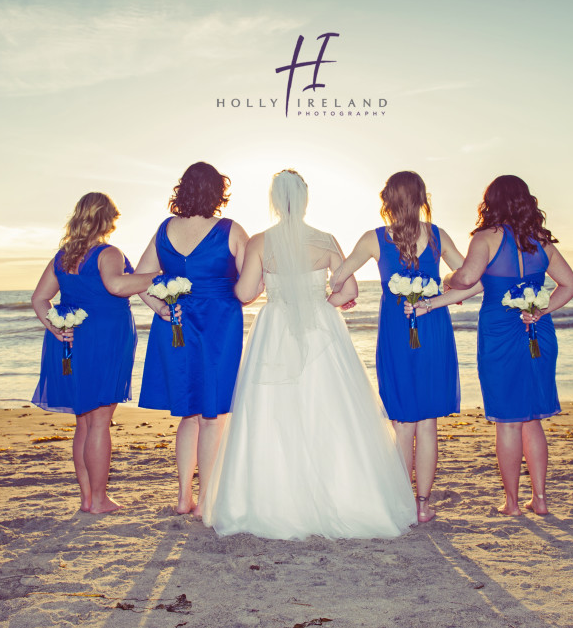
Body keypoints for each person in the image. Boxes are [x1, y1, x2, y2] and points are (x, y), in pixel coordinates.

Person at [203, 169, 416, 539]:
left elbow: (244, 294)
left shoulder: (259, 242)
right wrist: (328, 300)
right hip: (322, 330)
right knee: (329, 408)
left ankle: (274, 500)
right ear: (304, 200)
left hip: (275, 330)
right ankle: (347, 496)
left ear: (274, 199)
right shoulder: (325, 239)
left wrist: (264, 287)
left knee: (272, 410)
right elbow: (348, 290)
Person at [330, 171, 480, 523]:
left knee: (402, 423)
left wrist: (340, 297)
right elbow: (473, 282)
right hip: (433, 329)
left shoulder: (373, 239)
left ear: (388, 200)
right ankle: (423, 505)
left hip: (397, 334)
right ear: (421, 197)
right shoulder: (438, 236)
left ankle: (399, 503)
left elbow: (338, 275)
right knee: (427, 422)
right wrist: (438, 298)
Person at [434, 175, 573, 515]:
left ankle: (512, 503)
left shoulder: (485, 238)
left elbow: (467, 279)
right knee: (532, 420)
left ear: (491, 202)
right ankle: (540, 499)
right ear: (526, 201)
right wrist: (541, 310)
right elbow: (570, 285)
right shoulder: (541, 241)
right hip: (537, 333)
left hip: (499, 335)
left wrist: (447, 279)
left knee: (509, 421)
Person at [31, 192, 158, 514]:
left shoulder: (64, 256)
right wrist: (159, 275)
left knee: (85, 422)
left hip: (71, 341)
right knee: (100, 421)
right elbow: (117, 286)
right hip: (104, 340)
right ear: (108, 219)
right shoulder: (108, 252)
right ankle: (99, 499)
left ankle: (88, 498)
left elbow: (40, 298)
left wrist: (55, 327)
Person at [136, 162, 248, 516]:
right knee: (211, 415)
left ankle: (184, 496)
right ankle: (207, 499)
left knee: (189, 414)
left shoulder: (164, 229)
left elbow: (139, 278)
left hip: (176, 325)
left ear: (182, 189)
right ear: (218, 192)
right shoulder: (231, 230)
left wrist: (158, 308)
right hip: (219, 326)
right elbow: (249, 286)